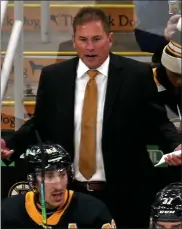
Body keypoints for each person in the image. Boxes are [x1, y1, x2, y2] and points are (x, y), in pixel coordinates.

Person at [1, 7, 182, 228]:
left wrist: (176, 145)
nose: (90, 47)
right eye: (83, 39)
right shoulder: (54, 77)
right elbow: (40, 122)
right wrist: (11, 144)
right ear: (74, 41)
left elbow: (158, 122)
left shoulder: (137, 75)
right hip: (71, 197)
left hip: (126, 195)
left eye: (96, 39)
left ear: (110, 39)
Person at [1, 143, 116, 229]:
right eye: (49, 176)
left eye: (62, 175)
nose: (59, 186)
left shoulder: (93, 211)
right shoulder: (8, 211)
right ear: (33, 181)